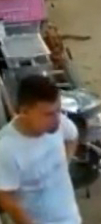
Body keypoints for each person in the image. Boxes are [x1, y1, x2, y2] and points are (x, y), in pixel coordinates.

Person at [0, 75, 81, 224]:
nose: (57, 119)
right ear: (24, 111)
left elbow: (72, 136)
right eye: (48, 114)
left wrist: (64, 164)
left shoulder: (57, 123)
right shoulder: (6, 149)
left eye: (58, 110)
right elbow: (5, 197)